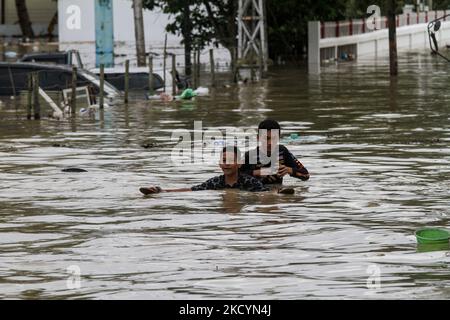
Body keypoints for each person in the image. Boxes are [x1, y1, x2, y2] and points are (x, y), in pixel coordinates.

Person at [139, 146, 294, 195]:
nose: (227, 164)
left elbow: (265, 193)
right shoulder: (216, 182)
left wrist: (280, 193)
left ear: (239, 164)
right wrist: (163, 191)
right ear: (219, 164)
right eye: (224, 160)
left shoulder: (248, 181)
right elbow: (193, 189)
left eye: (231, 160)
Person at [241, 119, 309, 185]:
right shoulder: (250, 156)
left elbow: (306, 175)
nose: (270, 142)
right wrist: (258, 172)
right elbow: (236, 177)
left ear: (279, 138)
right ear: (258, 138)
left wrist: (288, 170)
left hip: (278, 191)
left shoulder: (282, 152)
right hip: (256, 192)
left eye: (274, 138)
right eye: (266, 138)